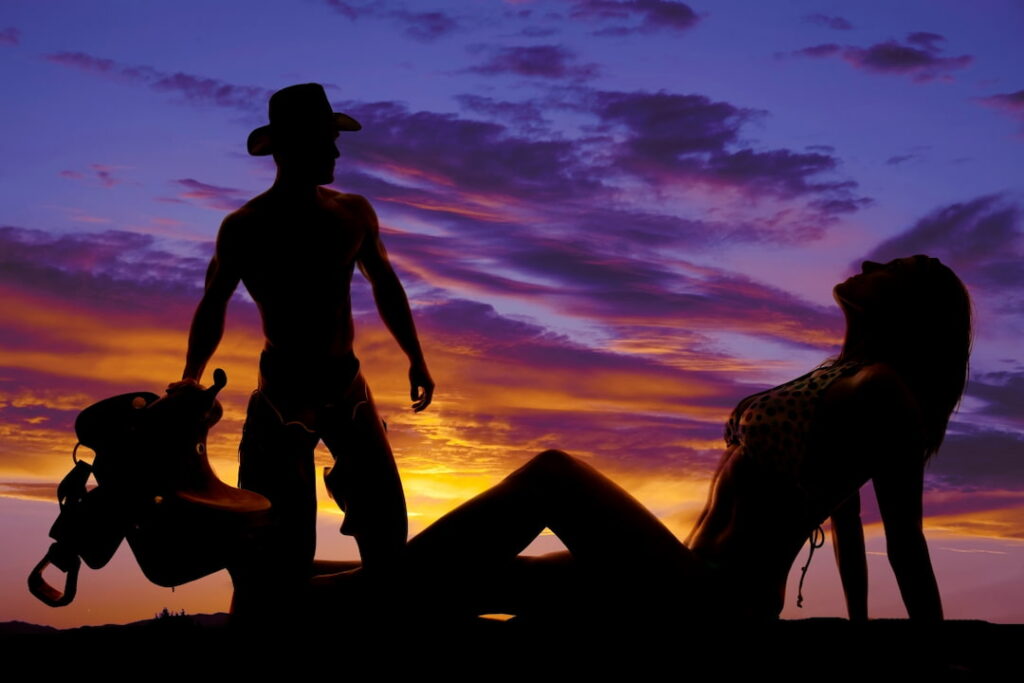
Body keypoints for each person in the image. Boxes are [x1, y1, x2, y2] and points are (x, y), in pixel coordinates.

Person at [310, 255, 970, 623]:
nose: (874, 259)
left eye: (896, 267)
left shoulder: (881, 391)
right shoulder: (841, 376)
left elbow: (906, 546)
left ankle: (337, 604)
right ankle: (319, 591)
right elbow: (845, 517)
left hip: (715, 600)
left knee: (554, 475)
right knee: (490, 578)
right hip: (683, 574)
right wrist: (855, 627)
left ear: (910, 306)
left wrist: (931, 662)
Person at [174, 84, 435, 603]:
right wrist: (191, 377)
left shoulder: (353, 213)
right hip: (281, 396)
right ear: (291, 149)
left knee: (387, 528)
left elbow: (386, 285)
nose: (337, 152)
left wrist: (416, 358)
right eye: (326, 141)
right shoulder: (246, 227)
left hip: (349, 389)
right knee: (281, 547)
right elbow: (213, 303)